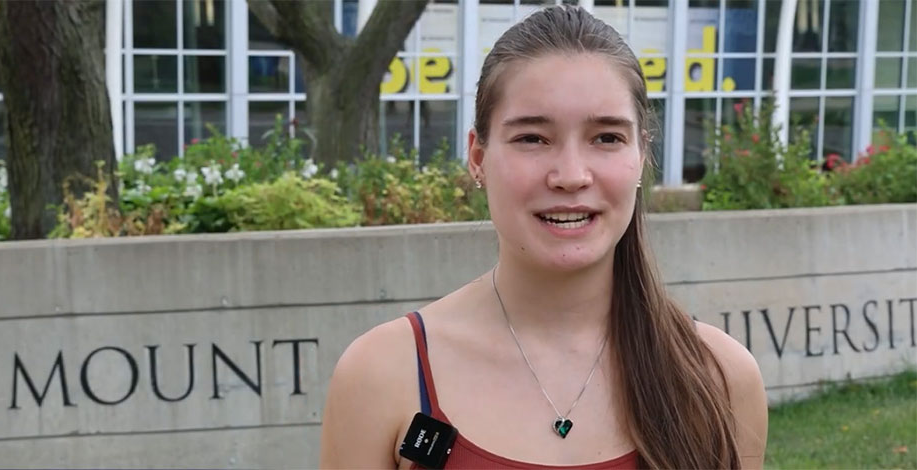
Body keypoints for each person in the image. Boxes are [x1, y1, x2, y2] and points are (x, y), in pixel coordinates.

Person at [318, 5, 768, 469]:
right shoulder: (382, 374)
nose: (571, 176)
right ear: (478, 157)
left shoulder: (719, 378)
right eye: (532, 138)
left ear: (641, 156)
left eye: (607, 138)